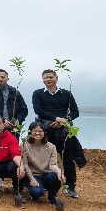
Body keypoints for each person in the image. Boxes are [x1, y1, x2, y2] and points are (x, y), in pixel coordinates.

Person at [32, 69, 84, 198]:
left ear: (57, 78)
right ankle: (46, 185)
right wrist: (56, 119)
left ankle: (71, 187)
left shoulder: (66, 93)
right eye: (45, 78)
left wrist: (64, 121)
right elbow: (38, 110)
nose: (48, 80)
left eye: (50, 77)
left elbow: (75, 112)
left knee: (68, 159)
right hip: (46, 129)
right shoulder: (38, 93)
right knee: (44, 158)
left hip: (64, 130)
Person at [20, 122, 65, 211]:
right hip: (32, 175)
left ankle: (52, 196)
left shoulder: (51, 147)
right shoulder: (24, 145)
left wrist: (60, 172)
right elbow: (25, 164)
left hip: (46, 175)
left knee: (55, 176)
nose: (37, 133)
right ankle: (32, 189)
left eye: (40, 131)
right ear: (30, 132)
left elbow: (52, 165)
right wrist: (31, 179)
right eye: (34, 131)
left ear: (44, 133)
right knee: (38, 193)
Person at [0, 69, 28, 140]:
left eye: (3, 77)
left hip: (13, 126)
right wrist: (2, 121)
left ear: (7, 78)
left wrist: (18, 120)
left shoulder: (14, 92)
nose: (0, 79)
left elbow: (24, 109)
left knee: (13, 148)